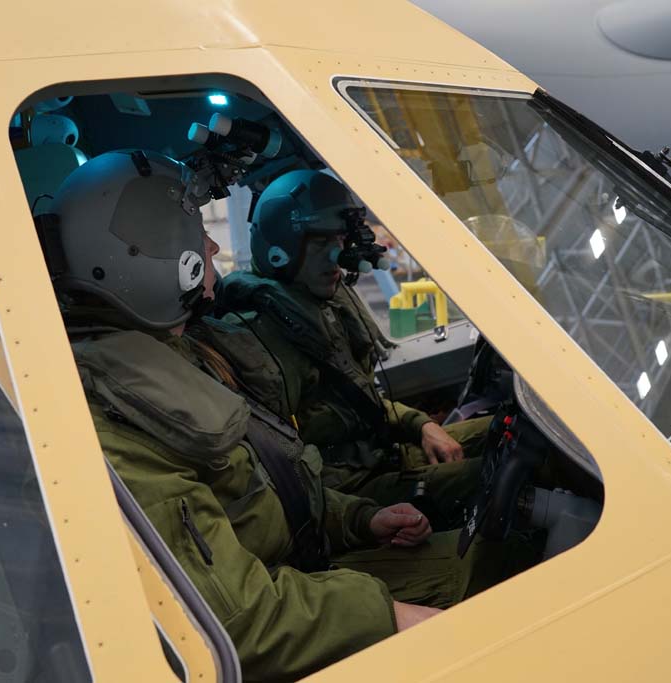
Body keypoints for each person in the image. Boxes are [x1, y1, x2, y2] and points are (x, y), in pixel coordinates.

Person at [50, 151, 502, 681]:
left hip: (311, 568)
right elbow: (235, 621)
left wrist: (357, 518)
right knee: (494, 556)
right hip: (290, 601)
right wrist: (386, 616)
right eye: (198, 234)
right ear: (154, 255)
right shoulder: (118, 412)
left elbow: (271, 485)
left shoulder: (178, 360)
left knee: (495, 533)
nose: (216, 247)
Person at [218, 170, 494, 529]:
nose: (336, 259)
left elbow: (358, 398)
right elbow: (284, 471)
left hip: (381, 455)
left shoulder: (318, 304)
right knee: (495, 474)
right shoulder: (258, 335)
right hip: (349, 491)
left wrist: (421, 424)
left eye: (340, 243)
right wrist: (361, 518)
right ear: (279, 248)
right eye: (321, 245)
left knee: (505, 435)